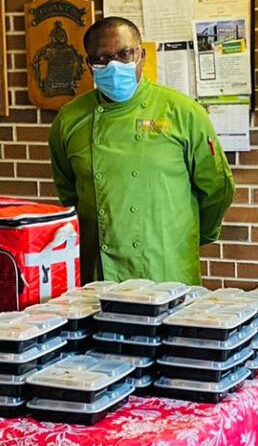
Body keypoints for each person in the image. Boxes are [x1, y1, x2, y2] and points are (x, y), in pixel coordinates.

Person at [49, 16, 235, 285]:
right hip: (100, 271)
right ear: (89, 64)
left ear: (142, 55)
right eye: (101, 59)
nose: (114, 65)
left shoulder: (183, 112)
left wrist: (184, 236)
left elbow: (217, 188)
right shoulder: (69, 120)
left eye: (124, 54)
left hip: (167, 265)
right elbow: (69, 193)